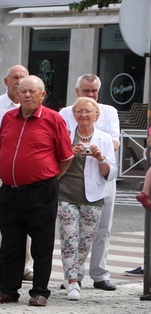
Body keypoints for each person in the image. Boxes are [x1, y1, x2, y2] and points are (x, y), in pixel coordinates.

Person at [0, 75, 74, 307]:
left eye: (32, 91)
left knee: (41, 244)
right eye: (22, 91)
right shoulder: (8, 118)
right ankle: (8, 291)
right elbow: (0, 151)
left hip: (41, 191)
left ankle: (40, 292)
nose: (26, 95)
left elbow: (65, 157)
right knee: (10, 244)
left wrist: (48, 177)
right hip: (9, 191)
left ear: (42, 95)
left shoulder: (53, 119)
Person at [59, 74, 120, 292]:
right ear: (77, 92)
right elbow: (58, 144)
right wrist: (70, 152)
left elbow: (114, 141)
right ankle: (74, 277)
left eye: (94, 91)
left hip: (98, 178)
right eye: (86, 91)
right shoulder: (65, 113)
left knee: (99, 230)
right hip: (69, 185)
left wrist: (99, 153)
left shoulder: (109, 111)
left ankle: (99, 273)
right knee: (69, 235)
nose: (91, 95)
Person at [0, 65, 34, 283]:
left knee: (28, 220)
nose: (19, 82)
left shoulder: (34, 105)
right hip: (0, 169)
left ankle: (25, 266)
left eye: (23, 77)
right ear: (6, 81)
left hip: (26, 171)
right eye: (15, 77)